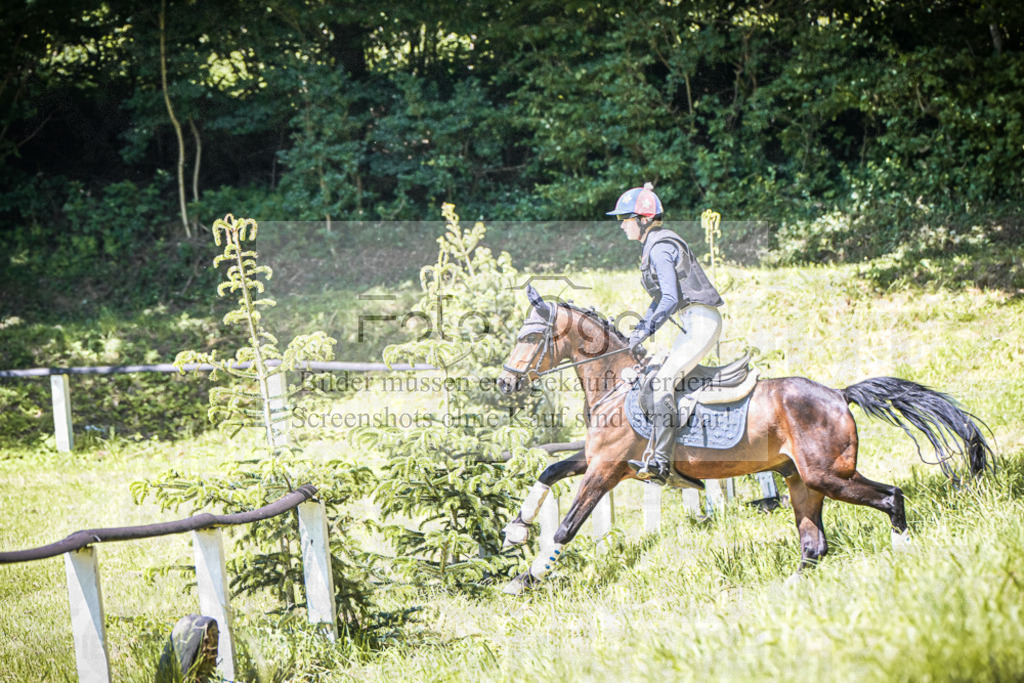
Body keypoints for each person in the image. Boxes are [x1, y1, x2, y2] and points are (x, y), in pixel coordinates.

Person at [608, 183, 724, 485]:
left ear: (643, 219)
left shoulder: (659, 247)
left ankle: (661, 464)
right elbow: (660, 300)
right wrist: (637, 332)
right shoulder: (656, 244)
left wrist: (644, 331)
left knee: (662, 382)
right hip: (693, 321)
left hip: (700, 321)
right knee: (660, 374)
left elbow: (670, 299)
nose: (621, 225)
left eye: (625, 219)